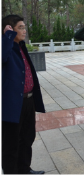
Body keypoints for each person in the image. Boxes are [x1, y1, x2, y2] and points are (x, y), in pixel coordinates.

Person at [2, 14, 46, 174]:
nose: (24, 30)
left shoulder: (21, 46)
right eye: (20, 27)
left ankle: (24, 169)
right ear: (9, 30)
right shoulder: (5, 46)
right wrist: (7, 37)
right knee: (11, 143)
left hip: (28, 101)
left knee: (27, 138)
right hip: (12, 103)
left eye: (24, 27)